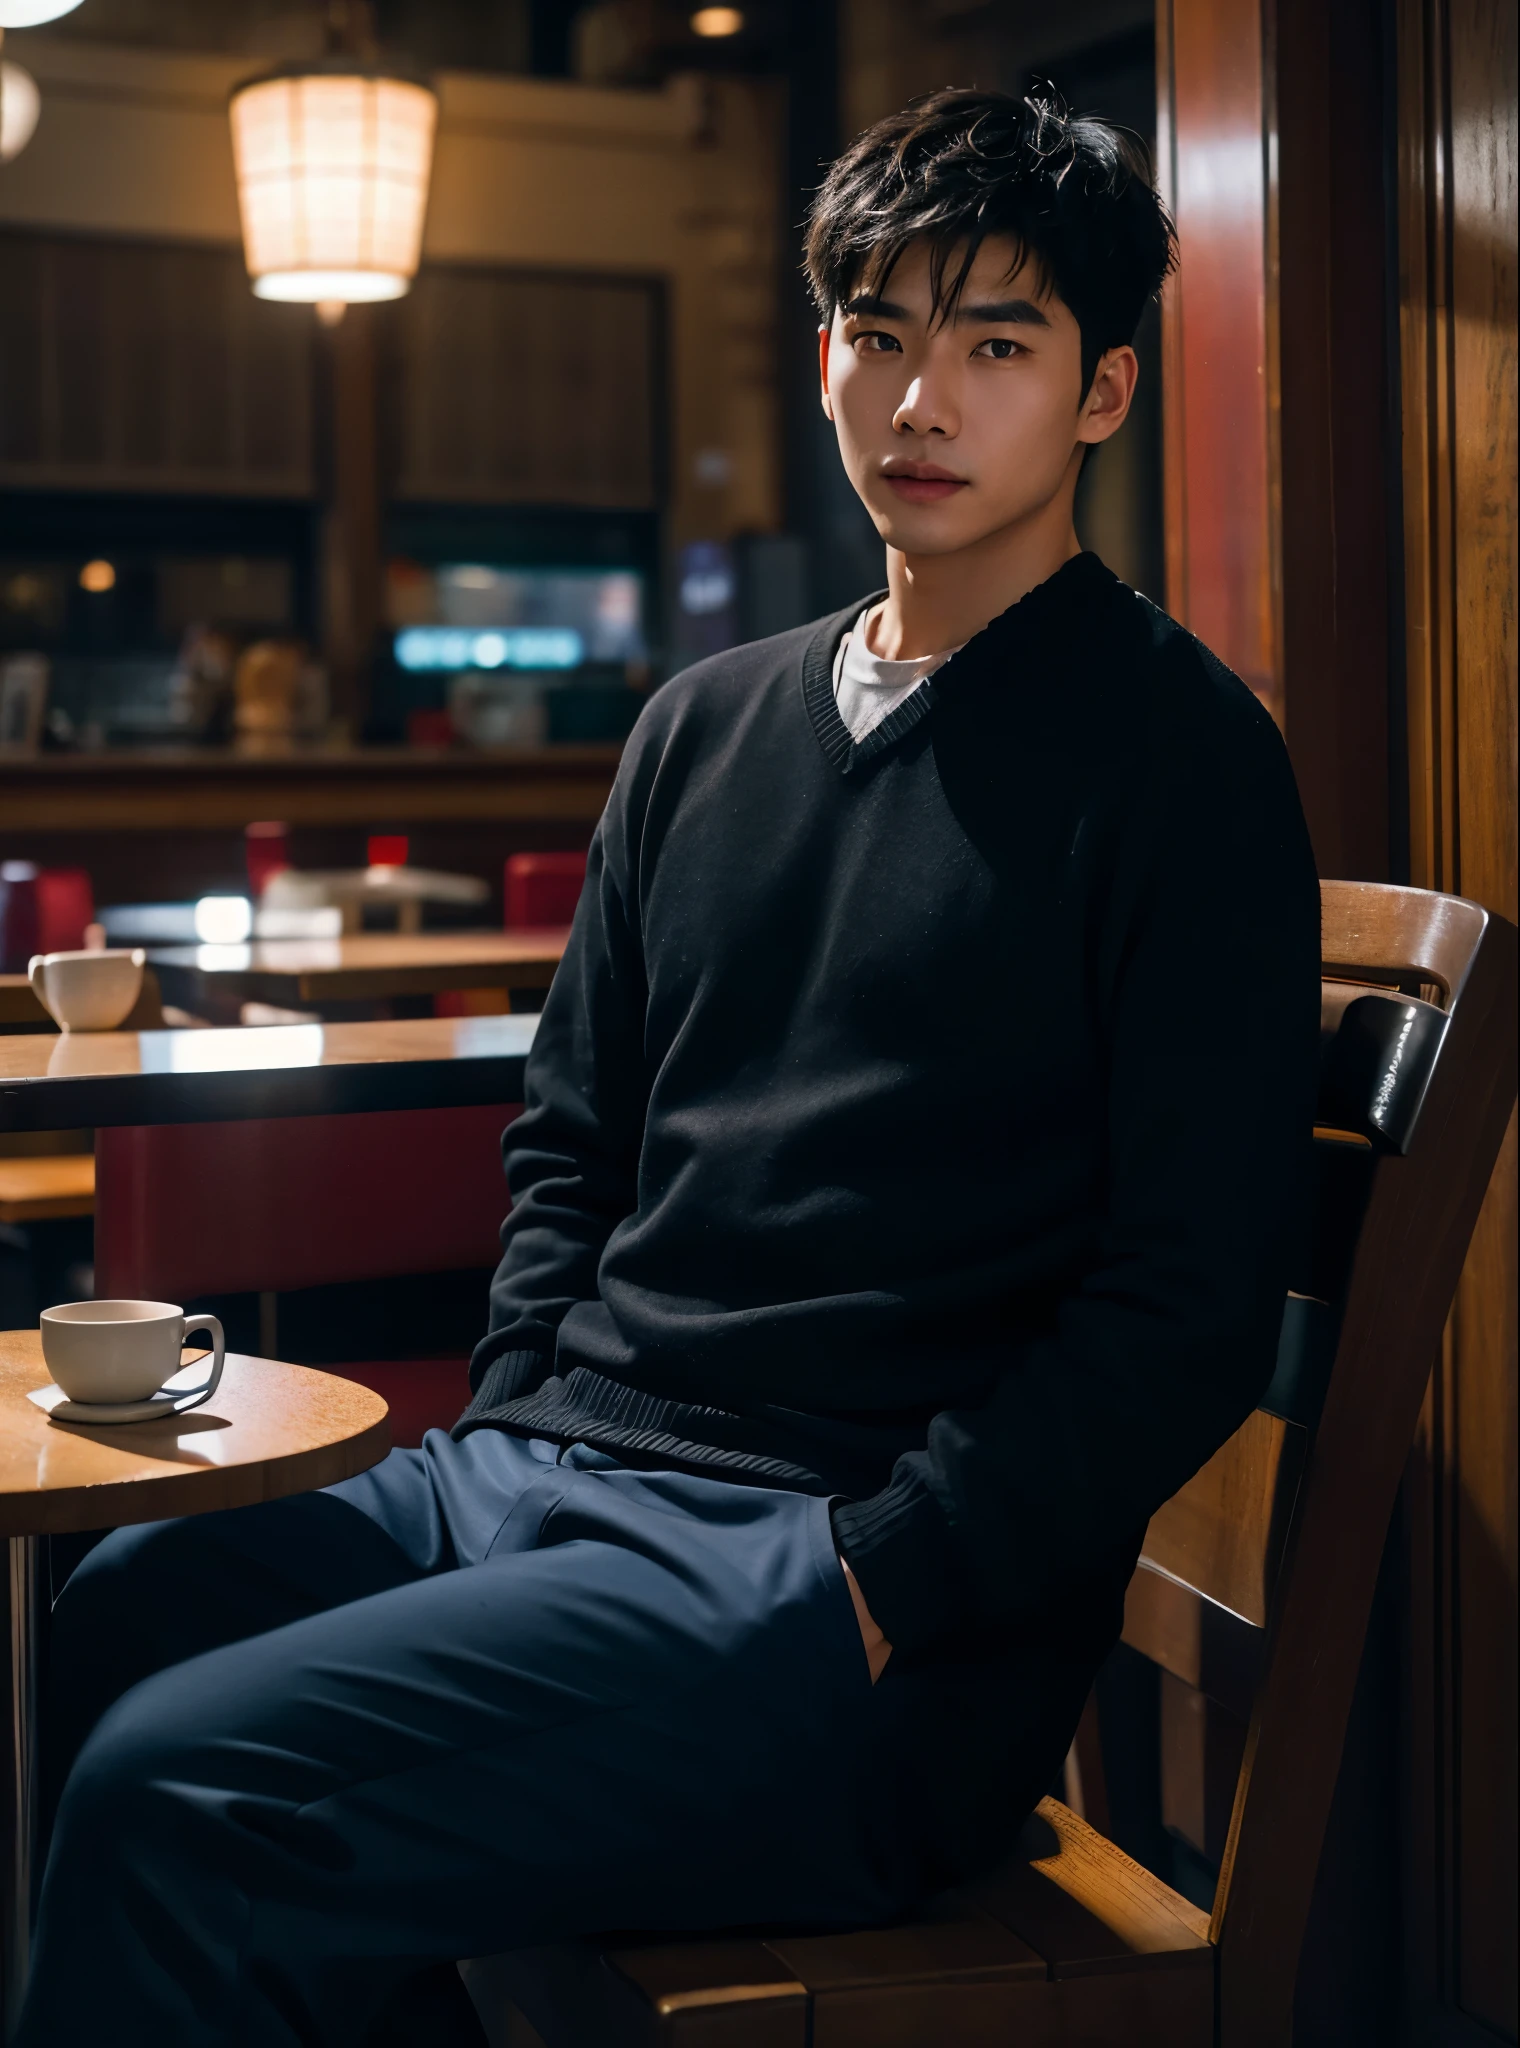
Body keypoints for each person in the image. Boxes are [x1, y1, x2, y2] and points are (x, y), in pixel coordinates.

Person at [20, 87, 1321, 2048]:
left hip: (849, 1599)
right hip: (545, 1479)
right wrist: (531, 1398)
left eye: (995, 345)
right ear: (823, 361)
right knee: (115, 1612)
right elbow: (574, 1138)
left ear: (1103, 393)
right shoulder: (701, 728)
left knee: (185, 1783)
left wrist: (891, 1572)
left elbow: (1189, 1302)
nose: (921, 401)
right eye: (879, 334)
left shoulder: (1183, 762)